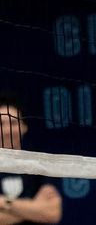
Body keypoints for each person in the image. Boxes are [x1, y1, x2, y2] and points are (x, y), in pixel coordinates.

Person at [0, 93, 62, 224]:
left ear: (24, 127)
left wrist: (4, 203)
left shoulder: (39, 164)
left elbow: (52, 213)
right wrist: (35, 207)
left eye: (13, 122)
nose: (7, 130)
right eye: (1, 123)